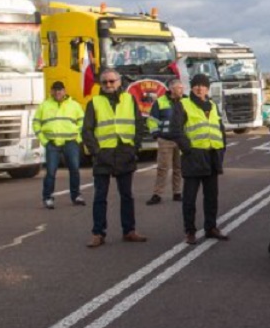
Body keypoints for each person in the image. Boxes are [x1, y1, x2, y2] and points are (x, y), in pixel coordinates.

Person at [82, 67, 149, 248]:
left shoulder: (129, 99)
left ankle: (129, 231)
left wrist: (134, 148)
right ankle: (98, 233)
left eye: (112, 81)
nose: (109, 84)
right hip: (104, 155)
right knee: (100, 197)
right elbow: (87, 131)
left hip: (124, 153)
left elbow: (139, 125)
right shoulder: (94, 102)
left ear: (119, 82)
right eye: (105, 82)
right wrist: (96, 152)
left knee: (127, 195)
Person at [172, 73, 228, 243]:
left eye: (203, 85)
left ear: (207, 89)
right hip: (193, 157)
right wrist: (188, 149)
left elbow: (220, 129)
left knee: (211, 197)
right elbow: (176, 130)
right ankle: (190, 231)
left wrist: (222, 149)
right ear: (192, 87)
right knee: (189, 198)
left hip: (212, 157)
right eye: (196, 85)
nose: (199, 88)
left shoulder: (213, 105)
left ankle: (211, 228)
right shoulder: (183, 104)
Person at [32, 80, 86, 209]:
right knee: (51, 172)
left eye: (60, 90)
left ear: (64, 91)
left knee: (74, 170)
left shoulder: (74, 105)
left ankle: (76, 196)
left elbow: (82, 122)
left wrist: (77, 138)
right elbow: (36, 123)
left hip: (70, 142)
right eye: (55, 90)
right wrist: (44, 140)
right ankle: (47, 198)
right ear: (51, 91)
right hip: (52, 143)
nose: (57, 92)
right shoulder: (44, 106)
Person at [146, 77, 186, 205]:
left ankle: (177, 193)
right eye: (179, 88)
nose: (182, 90)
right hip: (165, 140)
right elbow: (152, 120)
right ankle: (157, 194)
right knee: (163, 168)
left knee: (179, 168)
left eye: (182, 88)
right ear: (171, 89)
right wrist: (156, 134)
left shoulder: (186, 101)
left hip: (181, 140)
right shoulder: (160, 102)